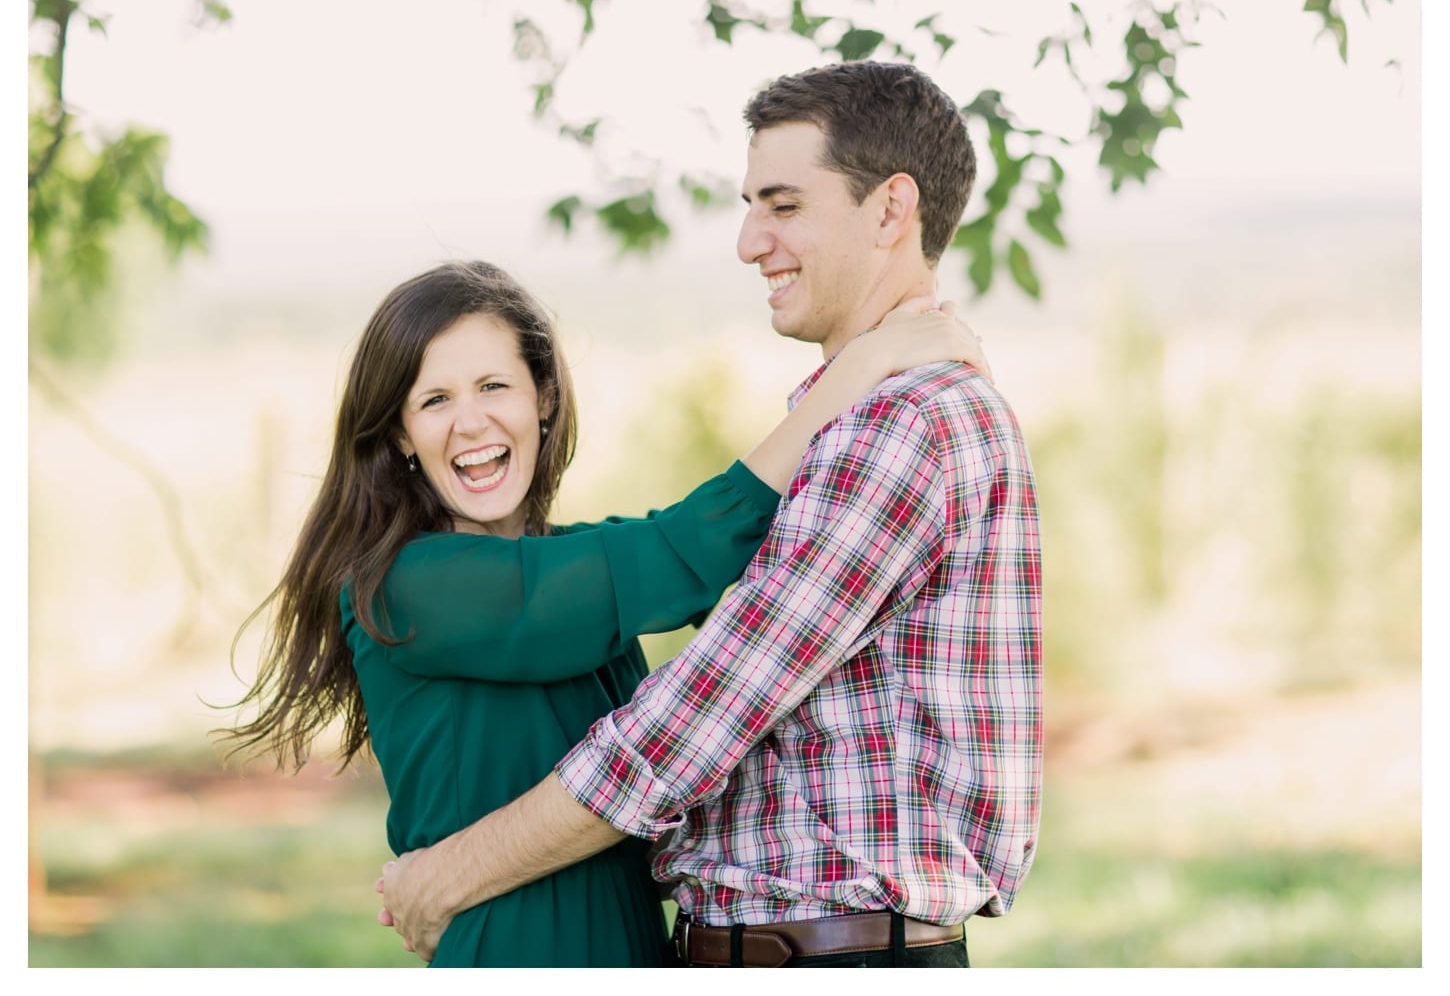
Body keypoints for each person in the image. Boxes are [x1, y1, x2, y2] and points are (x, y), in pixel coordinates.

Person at [378, 60, 1043, 969]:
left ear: (891, 210)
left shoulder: (900, 426)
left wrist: (449, 874)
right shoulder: (862, 415)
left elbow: (696, 722)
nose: (747, 240)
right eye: (750, 204)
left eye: (783, 204)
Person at [218, 257, 989, 967]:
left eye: (494, 386)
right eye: (434, 400)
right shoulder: (402, 587)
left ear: (543, 398)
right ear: (400, 435)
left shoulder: (578, 574)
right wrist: (865, 364)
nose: (471, 422)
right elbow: (688, 546)